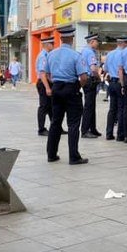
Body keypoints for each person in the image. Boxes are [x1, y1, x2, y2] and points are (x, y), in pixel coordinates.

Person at [43, 27, 89, 165]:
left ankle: (51, 154)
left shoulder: (51, 54)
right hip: (71, 89)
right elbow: (84, 77)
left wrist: (56, 84)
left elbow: (47, 74)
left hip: (57, 89)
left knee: (55, 122)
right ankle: (73, 156)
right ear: (72, 38)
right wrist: (77, 87)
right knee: (73, 124)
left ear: (61, 38)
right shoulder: (76, 55)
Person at [105, 36, 127, 140]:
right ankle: (120, 134)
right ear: (123, 43)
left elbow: (105, 69)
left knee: (112, 109)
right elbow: (121, 70)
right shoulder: (123, 54)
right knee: (121, 108)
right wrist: (123, 85)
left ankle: (109, 133)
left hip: (111, 83)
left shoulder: (110, 54)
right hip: (119, 82)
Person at [80, 33, 102, 138]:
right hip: (90, 80)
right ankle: (85, 130)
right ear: (92, 41)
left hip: (86, 80)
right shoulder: (90, 53)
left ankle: (92, 128)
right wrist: (98, 77)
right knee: (89, 106)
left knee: (91, 105)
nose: (98, 44)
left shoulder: (84, 51)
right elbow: (93, 69)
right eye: (97, 41)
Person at [36, 37, 56, 135]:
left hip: (47, 82)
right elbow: (43, 73)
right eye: (52, 43)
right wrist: (47, 87)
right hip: (43, 83)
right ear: (48, 44)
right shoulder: (43, 56)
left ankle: (55, 127)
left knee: (51, 106)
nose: (54, 45)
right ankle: (41, 129)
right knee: (44, 106)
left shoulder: (47, 55)